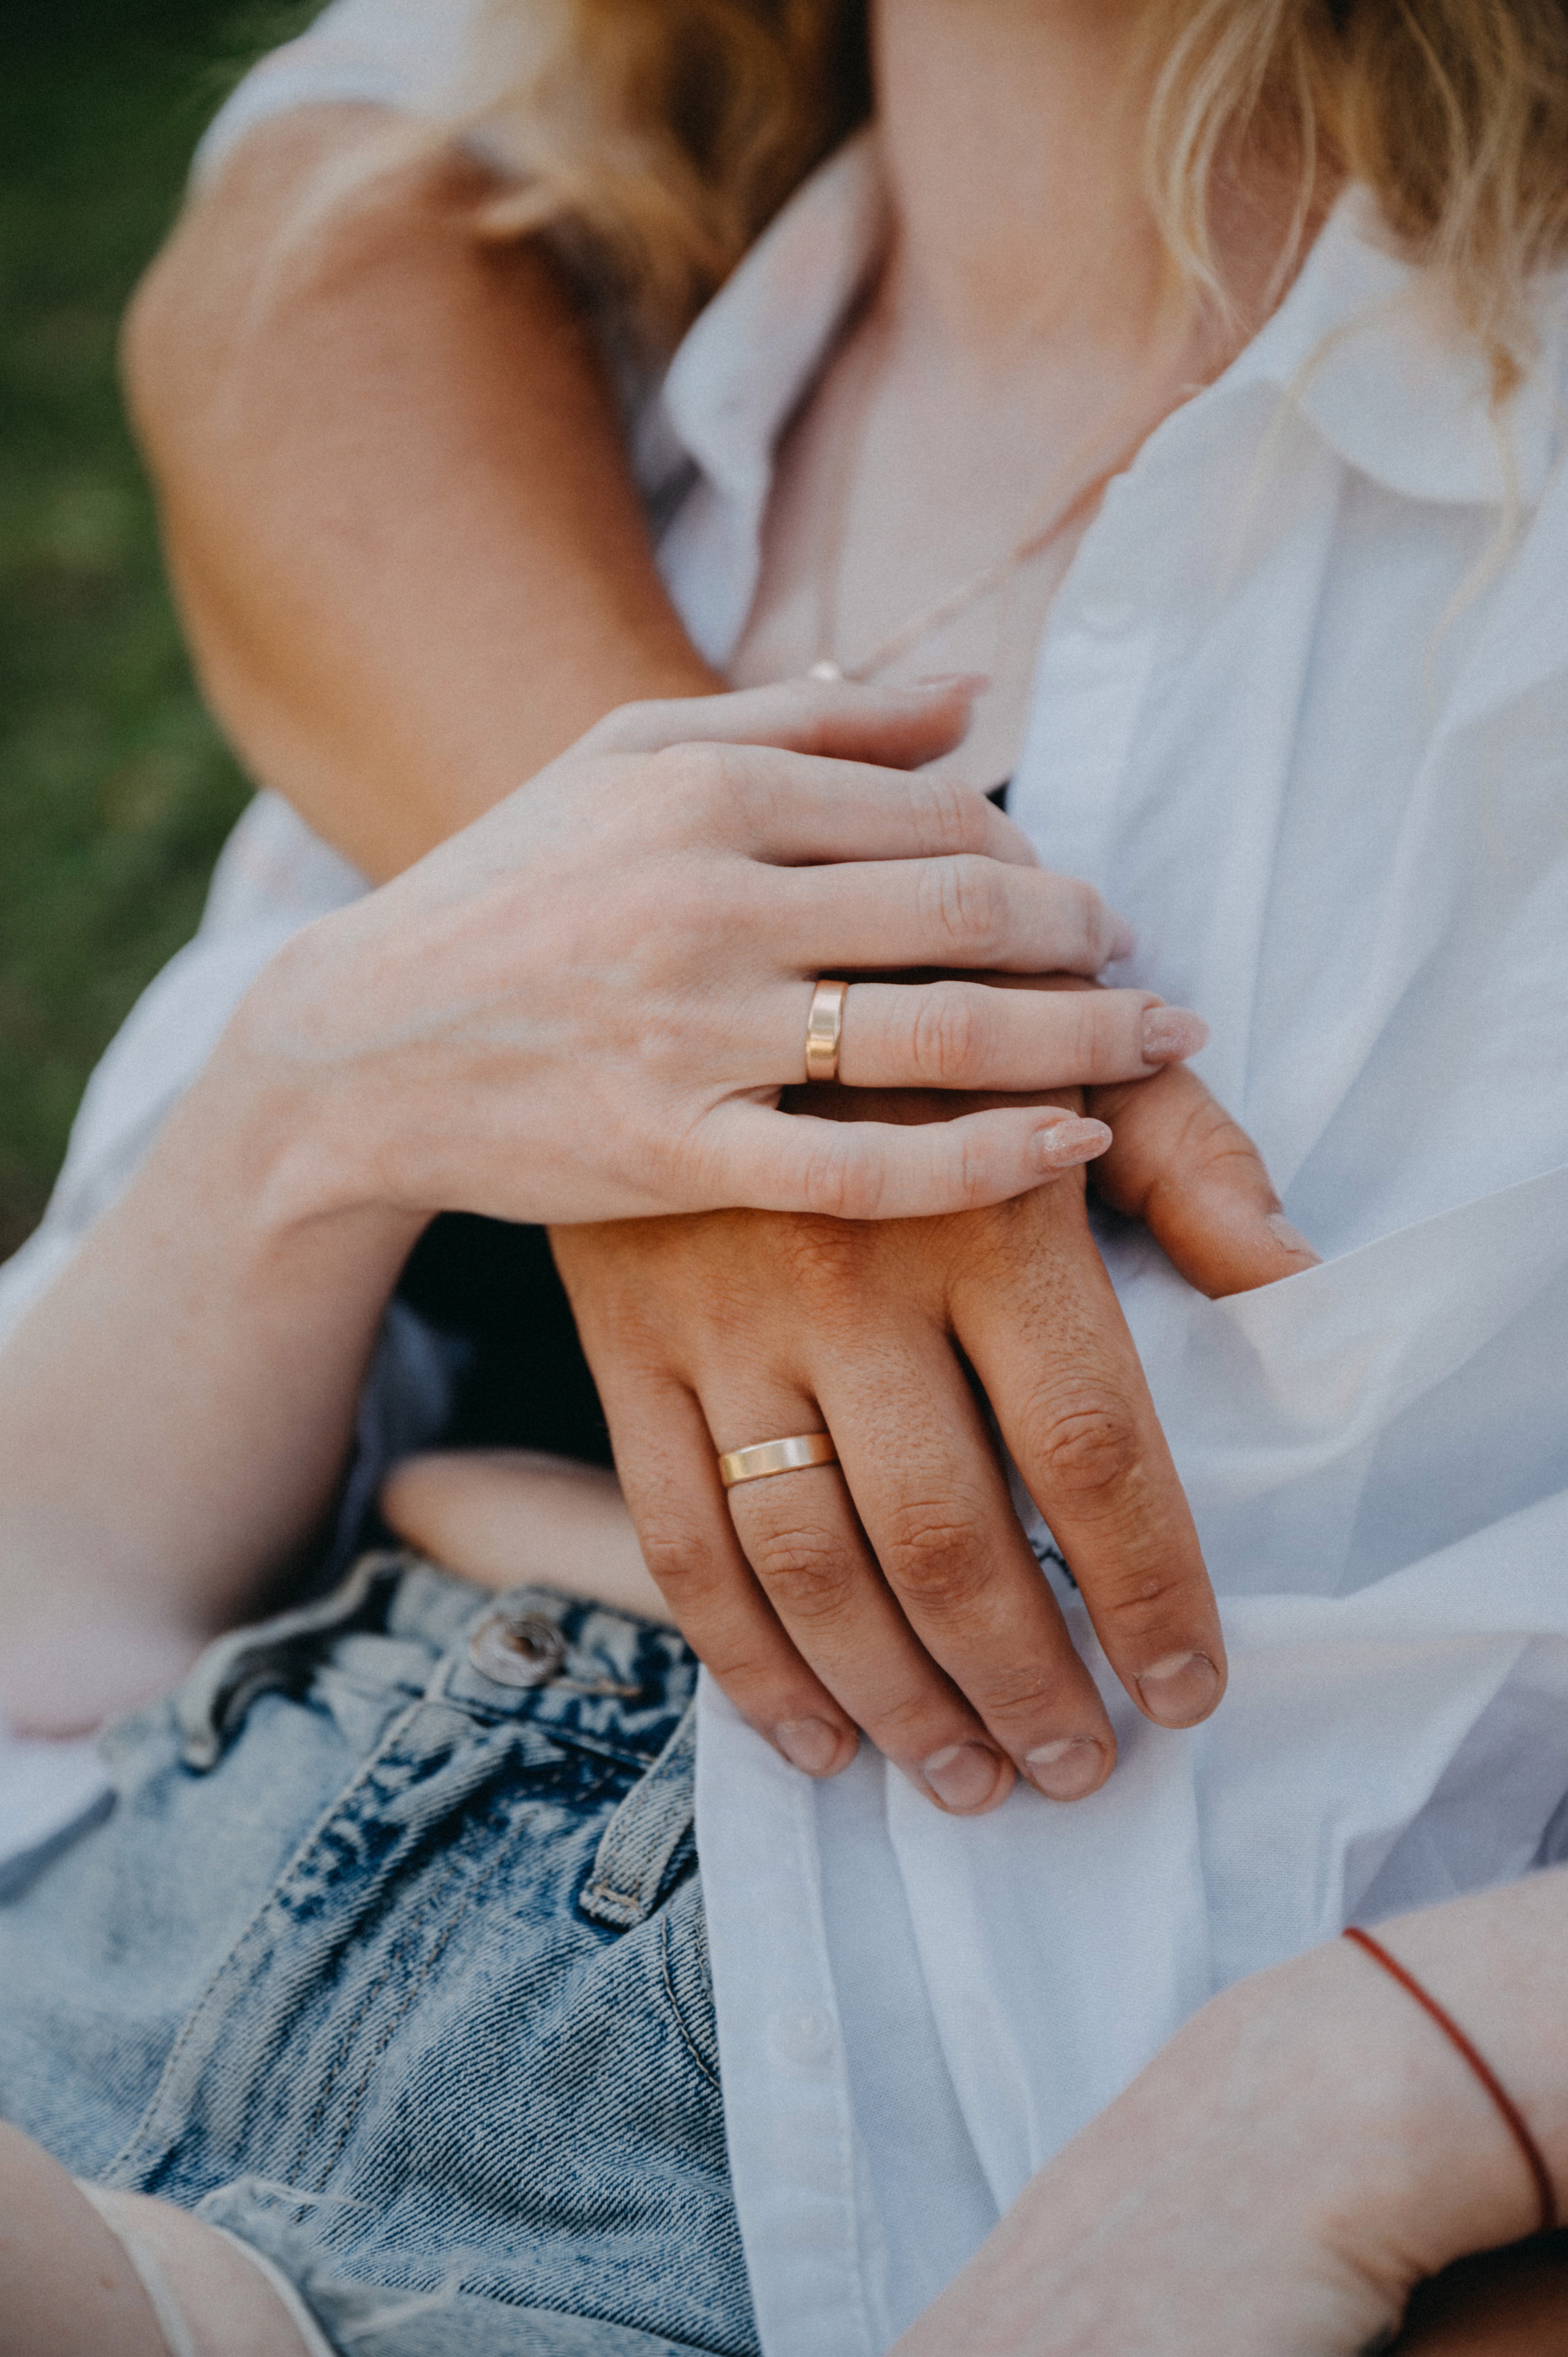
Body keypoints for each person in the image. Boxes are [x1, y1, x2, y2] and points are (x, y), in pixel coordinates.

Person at [5, 0, 1568, 2349]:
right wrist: (323, 1095)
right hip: (134, 1876)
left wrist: (1393, 2086)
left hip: (846, 2212)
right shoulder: (592, 382)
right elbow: (47, 1587)